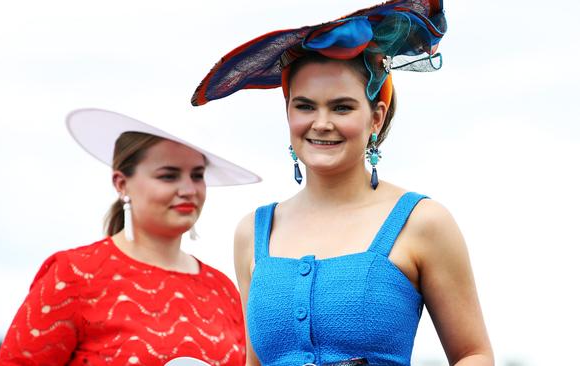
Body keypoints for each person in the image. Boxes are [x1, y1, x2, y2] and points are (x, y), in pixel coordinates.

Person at [191, 1, 493, 365]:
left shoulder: (423, 222)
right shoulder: (252, 233)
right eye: (304, 106)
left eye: (342, 107)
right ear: (287, 112)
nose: (321, 122)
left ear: (376, 118)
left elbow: (473, 354)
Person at [0, 108, 261, 366]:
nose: (188, 189)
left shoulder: (223, 289)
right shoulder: (74, 274)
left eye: (197, 176)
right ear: (122, 184)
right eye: (168, 176)